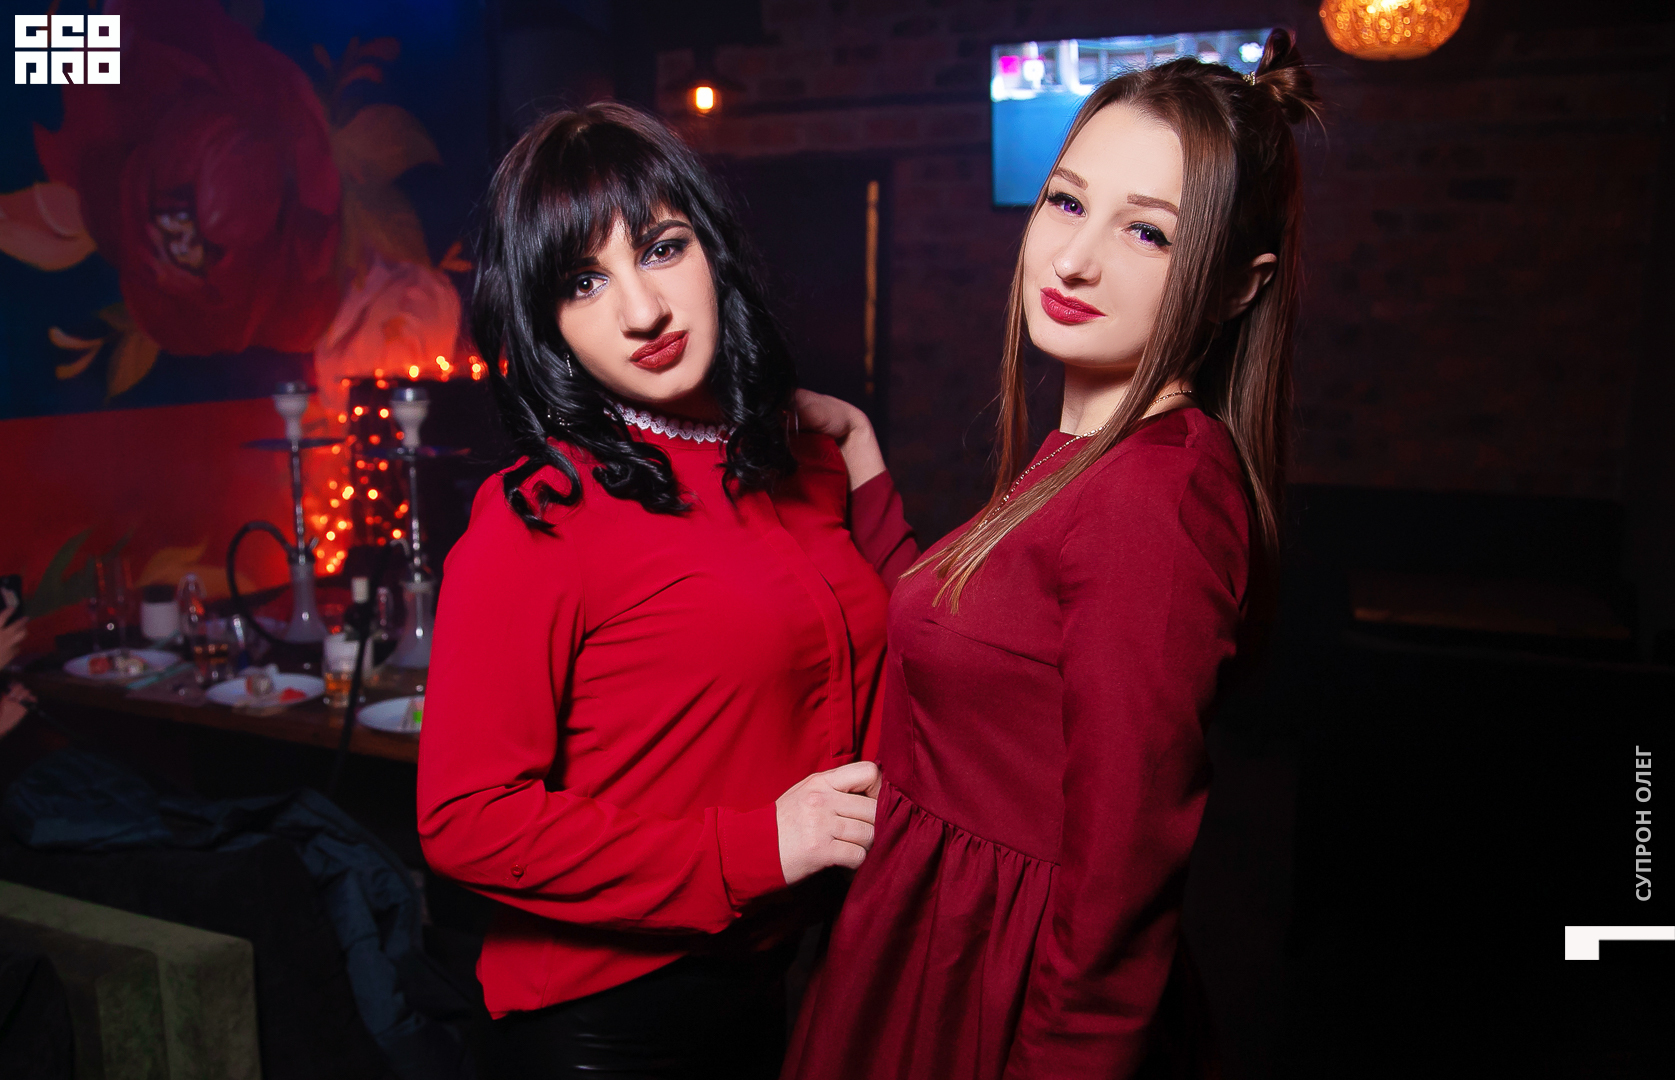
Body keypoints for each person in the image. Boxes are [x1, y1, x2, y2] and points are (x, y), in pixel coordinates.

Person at [784, 31, 1320, 1079]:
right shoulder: (1086, 458)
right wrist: (859, 451)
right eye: (1066, 203)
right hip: (931, 944)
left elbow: (1122, 876)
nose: (1074, 260)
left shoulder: (1154, 497)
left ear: (1234, 287)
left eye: (1148, 233)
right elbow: (975, 646)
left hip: (990, 984)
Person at [415, 102, 905, 1079]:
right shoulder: (537, 514)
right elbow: (464, 818)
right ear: (545, 323)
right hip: (605, 1023)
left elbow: (912, 656)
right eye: (583, 281)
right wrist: (758, 847)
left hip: (771, 981)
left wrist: (858, 445)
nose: (642, 312)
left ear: (712, 252)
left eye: (661, 248)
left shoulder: (799, 460)